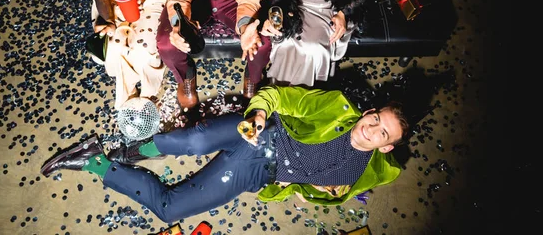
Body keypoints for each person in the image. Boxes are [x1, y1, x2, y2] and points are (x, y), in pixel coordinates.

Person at [40, 85, 410, 223]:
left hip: (256, 170)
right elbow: (279, 96)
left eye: (382, 132)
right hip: (261, 130)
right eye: (375, 118)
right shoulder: (336, 107)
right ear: (367, 112)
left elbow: (324, 194)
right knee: (193, 141)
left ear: (387, 146)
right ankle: (134, 150)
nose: (371, 128)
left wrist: (295, 185)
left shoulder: (366, 172)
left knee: (170, 210)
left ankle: (94, 159)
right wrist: (260, 111)